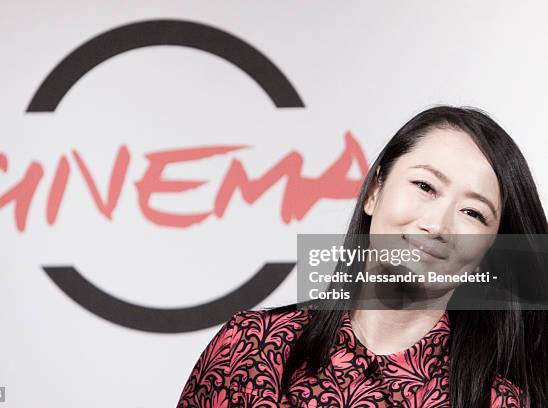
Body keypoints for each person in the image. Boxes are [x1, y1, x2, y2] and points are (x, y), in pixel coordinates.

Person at [176, 106, 548, 407]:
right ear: (374, 191)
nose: (437, 224)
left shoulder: (500, 401)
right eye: (425, 186)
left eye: (473, 213)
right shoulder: (250, 347)